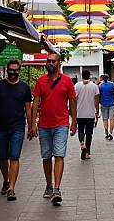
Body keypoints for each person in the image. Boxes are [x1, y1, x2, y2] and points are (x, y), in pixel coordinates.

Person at [29, 51, 77, 205]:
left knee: (59, 155)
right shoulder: (40, 81)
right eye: (48, 61)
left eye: (53, 61)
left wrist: (74, 121)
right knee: (46, 156)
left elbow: (73, 101)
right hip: (43, 125)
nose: (50, 63)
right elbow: (35, 102)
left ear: (59, 63)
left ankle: (56, 188)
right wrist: (32, 124)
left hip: (61, 124)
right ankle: (48, 185)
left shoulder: (67, 81)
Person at [0, 60, 32, 201]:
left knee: (14, 156)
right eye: (10, 70)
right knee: (2, 157)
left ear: (19, 70)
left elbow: (28, 108)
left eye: (15, 70)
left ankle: (12, 187)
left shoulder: (24, 87)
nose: (13, 73)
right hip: (1, 126)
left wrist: (31, 126)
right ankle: (6, 180)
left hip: (18, 126)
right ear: (7, 70)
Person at [75, 70, 99, 160]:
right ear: (90, 76)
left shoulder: (77, 85)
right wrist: (97, 112)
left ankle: (82, 144)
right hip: (90, 113)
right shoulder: (95, 86)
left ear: (82, 76)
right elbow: (96, 101)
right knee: (89, 133)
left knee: (80, 130)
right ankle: (87, 152)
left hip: (79, 113)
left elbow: (74, 99)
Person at [99, 74, 114, 140]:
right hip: (112, 103)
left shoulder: (100, 86)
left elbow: (99, 95)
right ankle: (111, 133)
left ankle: (106, 131)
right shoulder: (112, 85)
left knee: (105, 119)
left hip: (103, 103)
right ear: (108, 78)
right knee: (111, 119)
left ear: (103, 78)